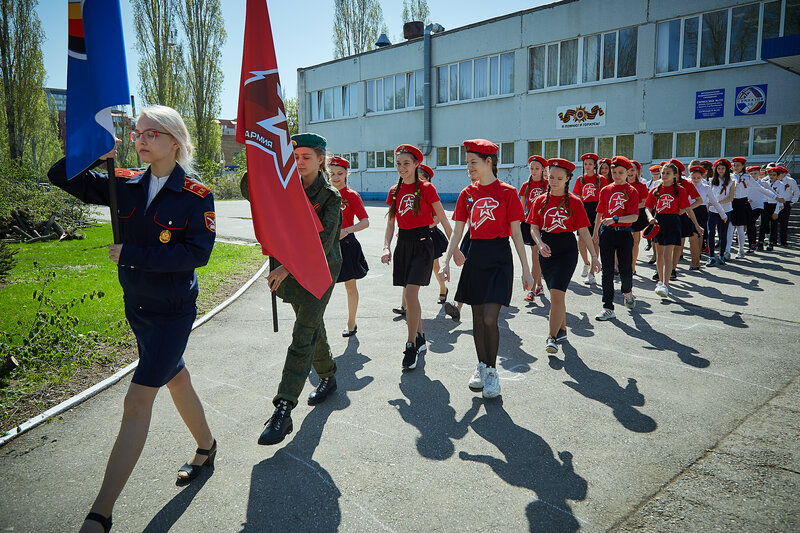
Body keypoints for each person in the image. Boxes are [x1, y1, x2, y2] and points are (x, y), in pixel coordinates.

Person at [49, 105, 217, 533]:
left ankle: (100, 513)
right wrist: (92, 153)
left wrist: (135, 255)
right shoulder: (122, 184)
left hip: (172, 310)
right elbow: (59, 175)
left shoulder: (196, 194)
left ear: (174, 142)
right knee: (175, 377)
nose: (140, 139)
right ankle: (207, 446)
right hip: (137, 307)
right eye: (137, 132)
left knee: (136, 400)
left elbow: (197, 254)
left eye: (151, 133)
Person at [259, 133, 343, 446]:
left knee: (303, 334)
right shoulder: (285, 187)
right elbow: (249, 188)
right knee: (312, 327)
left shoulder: (330, 196)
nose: (300, 162)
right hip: (290, 271)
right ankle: (329, 374)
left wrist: (284, 268)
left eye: (306, 156)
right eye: (295, 157)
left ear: (321, 159)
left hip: (319, 271)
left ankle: (283, 407)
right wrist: (263, 162)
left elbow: (321, 245)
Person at [440, 139, 532, 398]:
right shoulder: (466, 194)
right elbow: (457, 231)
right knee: (478, 319)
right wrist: (446, 261)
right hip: (475, 256)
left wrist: (526, 270)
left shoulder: (508, 192)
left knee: (491, 318)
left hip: (499, 257)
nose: (468, 167)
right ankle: (482, 367)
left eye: (473, 162)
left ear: (488, 162)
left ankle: (492, 372)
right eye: (467, 162)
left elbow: (516, 233)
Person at [382, 144, 454, 370]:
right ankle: (421, 337)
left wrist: (456, 249)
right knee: (411, 297)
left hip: (424, 245)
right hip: (403, 245)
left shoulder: (426, 189)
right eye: (399, 163)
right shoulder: (394, 190)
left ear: (416, 165)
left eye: (406, 163)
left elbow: (442, 218)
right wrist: (386, 247)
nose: (402, 167)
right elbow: (391, 223)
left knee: (411, 293)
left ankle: (410, 345)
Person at [528, 158, 600, 355]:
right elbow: (534, 227)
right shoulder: (539, 201)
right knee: (556, 294)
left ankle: (551, 337)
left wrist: (593, 257)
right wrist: (540, 243)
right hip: (547, 249)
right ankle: (562, 330)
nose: (554, 181)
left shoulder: (575, 202)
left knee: (557, 294)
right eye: (551, 177)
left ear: (568, 178)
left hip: (566, 250)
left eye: (559, 178)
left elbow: (584, 232)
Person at [593, 156, 640, 320]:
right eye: (614, 172)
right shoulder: (605, 190)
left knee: (625, 270)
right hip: (607, 233)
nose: (617, 175)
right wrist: (594, 233)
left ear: (628, 172)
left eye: (621, 172)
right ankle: (608, 307)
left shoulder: (632, 191)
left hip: (625, 234)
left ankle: (628, 292)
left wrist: (616, 219)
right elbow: (599, 212)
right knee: (607, 272)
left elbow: (634, 216)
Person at [329, 156, 369, 337]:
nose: (336, 177)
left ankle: (351, 323)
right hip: (326, 246)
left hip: (346, 244)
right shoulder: (324, 194)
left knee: (350, 287)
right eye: (332, 174)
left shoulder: (351, 196)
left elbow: (365, 222)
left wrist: (346, 230)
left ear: (347, 174)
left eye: (340, 173)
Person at [644, 161, 690, 298]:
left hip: (673, 222)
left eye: (667, 173)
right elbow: (648, 207)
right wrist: (650, 217)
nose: (664, 175)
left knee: (667, 254)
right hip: (659, 221)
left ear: (675, 175)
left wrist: (697, 226)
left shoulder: (680, 190)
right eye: (663, 173)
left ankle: (666, 284)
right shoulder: (656, 189)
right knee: (659, 254)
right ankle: (660, 280)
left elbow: (687, 208)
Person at [573, 153, 608, 285]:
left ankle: (592, 273)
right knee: (581, 241)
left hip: (597, 210)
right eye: (585, 164)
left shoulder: (601, 179)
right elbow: (577, 196)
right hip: (584, 210)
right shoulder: (580, 179)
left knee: (594, 241)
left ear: (595, 165)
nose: (587, 166)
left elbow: (604, 198)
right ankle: (586, 263)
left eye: (590, 164)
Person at [518, 155, 547, 300]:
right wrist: (516, 221)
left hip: (544, 222)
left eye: (537, 168)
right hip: (530, 221)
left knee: (536, 256)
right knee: (535, 256)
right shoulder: (526, 185)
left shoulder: (549, 184)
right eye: (532, 168)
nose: (534, 171)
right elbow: (521, 204)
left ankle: (532, 290)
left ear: (543, 169)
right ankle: (539, 286)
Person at [669, 159, 704, 280]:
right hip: (666, 217)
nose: (667, 174)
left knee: (680, 242)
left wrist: (685, 209)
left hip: (681, 216)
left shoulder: (686, 184)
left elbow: (699, 200)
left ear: (677, 172)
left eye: (671, 171)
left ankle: (674, 269)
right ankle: (664, 269)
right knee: (665, 245)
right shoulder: (663, 183)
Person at [706, 159, 736, 266]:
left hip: (726, 209)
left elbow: (731, 197)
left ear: (726, 169)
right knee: (711, 233)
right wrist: (711, 203)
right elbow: (708, 195)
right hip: (713, 211)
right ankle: (711, 256)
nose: (720, 170)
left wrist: (718, 202)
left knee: (723, 233)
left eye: (723, 168)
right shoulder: (711, 180)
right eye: (718, 168)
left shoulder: (731, 181)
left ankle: (722, 255)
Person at [627, 160, 649, 274]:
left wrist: (631, 207)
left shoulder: (641, 185)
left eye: (632, 170)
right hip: (622, 216)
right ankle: (616, 265)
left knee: (635, 242)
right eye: (628, 170)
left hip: (636, 215)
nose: (630, 172)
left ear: (637, 172)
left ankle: (632, 266)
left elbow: (645, 202)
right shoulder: (619, 184)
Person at [729, 157, 753, 259]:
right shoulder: (730, 177)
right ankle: (727, 251)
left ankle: (741, 250)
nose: (735, 167)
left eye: (738, 165)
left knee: (740, 229)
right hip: (731, 202)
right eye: (734, 165)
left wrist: (774, 197)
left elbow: (758, 188)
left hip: (742, 203)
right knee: (730, 228)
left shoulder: (747, 177)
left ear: (743, 166)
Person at [760, 166, 788, 250]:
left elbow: (781, 198)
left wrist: (776, 212)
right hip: (765, 205)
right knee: (763, 224)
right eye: (770, 174)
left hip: (774, 205)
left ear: (777, 175)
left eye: (774, 175)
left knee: (773, 225)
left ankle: (771, 243)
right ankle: (760, 242)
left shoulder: (781, 185)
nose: (771, 176)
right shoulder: (765, 183)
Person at [688, 165, 711, 269]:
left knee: (699, 235)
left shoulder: (706, 187)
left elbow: (713, 201)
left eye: (698, 178)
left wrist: (722, 213)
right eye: (694, 178)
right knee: (692, 237)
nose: (696, 180)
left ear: (702, 177)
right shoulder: (687, 185)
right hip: (690, 211)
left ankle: (697, 260)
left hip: (701, 211)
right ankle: (694, 261)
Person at [778, 168, 799, 246]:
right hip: (775, 202)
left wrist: (792, 201)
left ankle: (783, 241)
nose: (778, 175)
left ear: (784, 173)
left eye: (779, 173)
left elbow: (796, 191)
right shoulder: (774, 180)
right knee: (773, 222)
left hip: (786, 202)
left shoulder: (790, 181)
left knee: (784, 223)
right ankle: (772, 241)